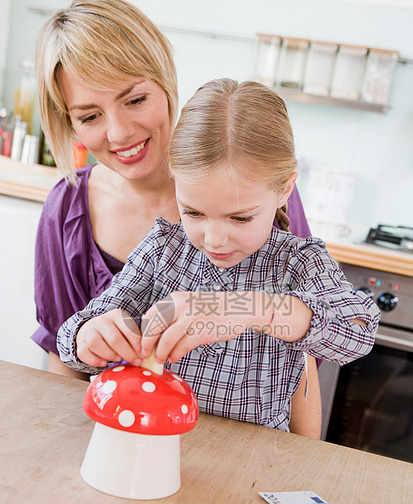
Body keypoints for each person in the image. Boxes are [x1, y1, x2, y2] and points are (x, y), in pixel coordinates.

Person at [32, 0, 321, 436]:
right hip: (122, 444)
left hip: (246, 455)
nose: (119, 133)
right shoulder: (67, 209)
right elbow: (62, 353)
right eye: (89, 116)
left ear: (165, 83)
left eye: (135, 99)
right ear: (68, 122)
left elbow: (306, 353)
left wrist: (302, 468)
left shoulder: (252, 193)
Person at [57, 78, 380, 437]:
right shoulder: (163, 249)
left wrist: (249, 309)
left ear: (284, 189)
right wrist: (87, 336)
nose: (213, 238)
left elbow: (358, 330)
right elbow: (73, 335)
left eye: (240, 218)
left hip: (253, 462)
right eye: (193, 213)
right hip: (156, 444)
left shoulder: (298, 263)